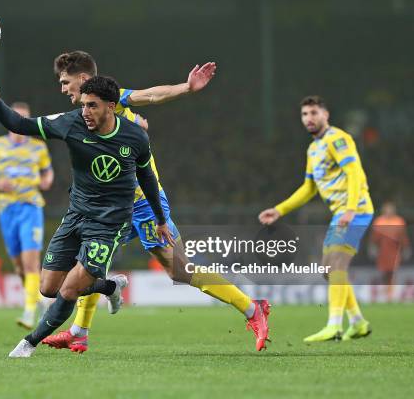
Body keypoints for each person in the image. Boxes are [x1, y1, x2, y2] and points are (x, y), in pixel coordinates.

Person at [42, 51, 270, 353]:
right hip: (111, 207)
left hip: (143, 204)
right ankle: (79, 332)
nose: (63, 89)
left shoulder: (114, 100)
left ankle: (253, 309)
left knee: (179, 269)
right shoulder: (84, 116)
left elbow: (149, 95)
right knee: (88, 263)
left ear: (83, 79)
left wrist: (186, 88)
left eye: (65, 82)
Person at [0, 76, 172, 358]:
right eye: (83, 105)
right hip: (76, 215)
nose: (85, 112)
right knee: (48, 288)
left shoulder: (135, 136)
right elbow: (21, 125)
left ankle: (28, 343)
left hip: (110, 224)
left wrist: (161, 219)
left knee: (69, 290)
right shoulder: (72, 123)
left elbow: (148, 178)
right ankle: (109, 286)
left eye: (92, 106)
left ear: (111, 107)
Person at [259, 95, 374, 342]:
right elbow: (309, 188)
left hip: (356, 210)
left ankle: (334, 325)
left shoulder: (338, 139)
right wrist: (279, 210)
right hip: (340, 213)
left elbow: (354, 173)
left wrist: (351, 208)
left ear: (326, 114)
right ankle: (358, 322)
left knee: (336, 265)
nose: (309, 119)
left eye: (313, 113)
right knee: (327, 269)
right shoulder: (313, 148)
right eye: (304, 114)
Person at [0, 101, 54, 329]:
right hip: (6, 209)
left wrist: (46, 181)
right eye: (16, 117)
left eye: (24, 118)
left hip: (30, 207)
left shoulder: (38, 147)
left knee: (31, 263)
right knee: (19, 267)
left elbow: (48, 174)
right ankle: (38, 301)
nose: (20, 122)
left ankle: (29, 312)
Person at [369, 201, 410, 301]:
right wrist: (372, 248)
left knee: (392, 272)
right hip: (382, 252)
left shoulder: (399, 221)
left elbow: (403, 237)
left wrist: (406, 248)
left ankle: (391, 295)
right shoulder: (379, 221)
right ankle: (385, 293)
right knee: (383, 272)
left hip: (394, 251)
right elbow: (374, 238)